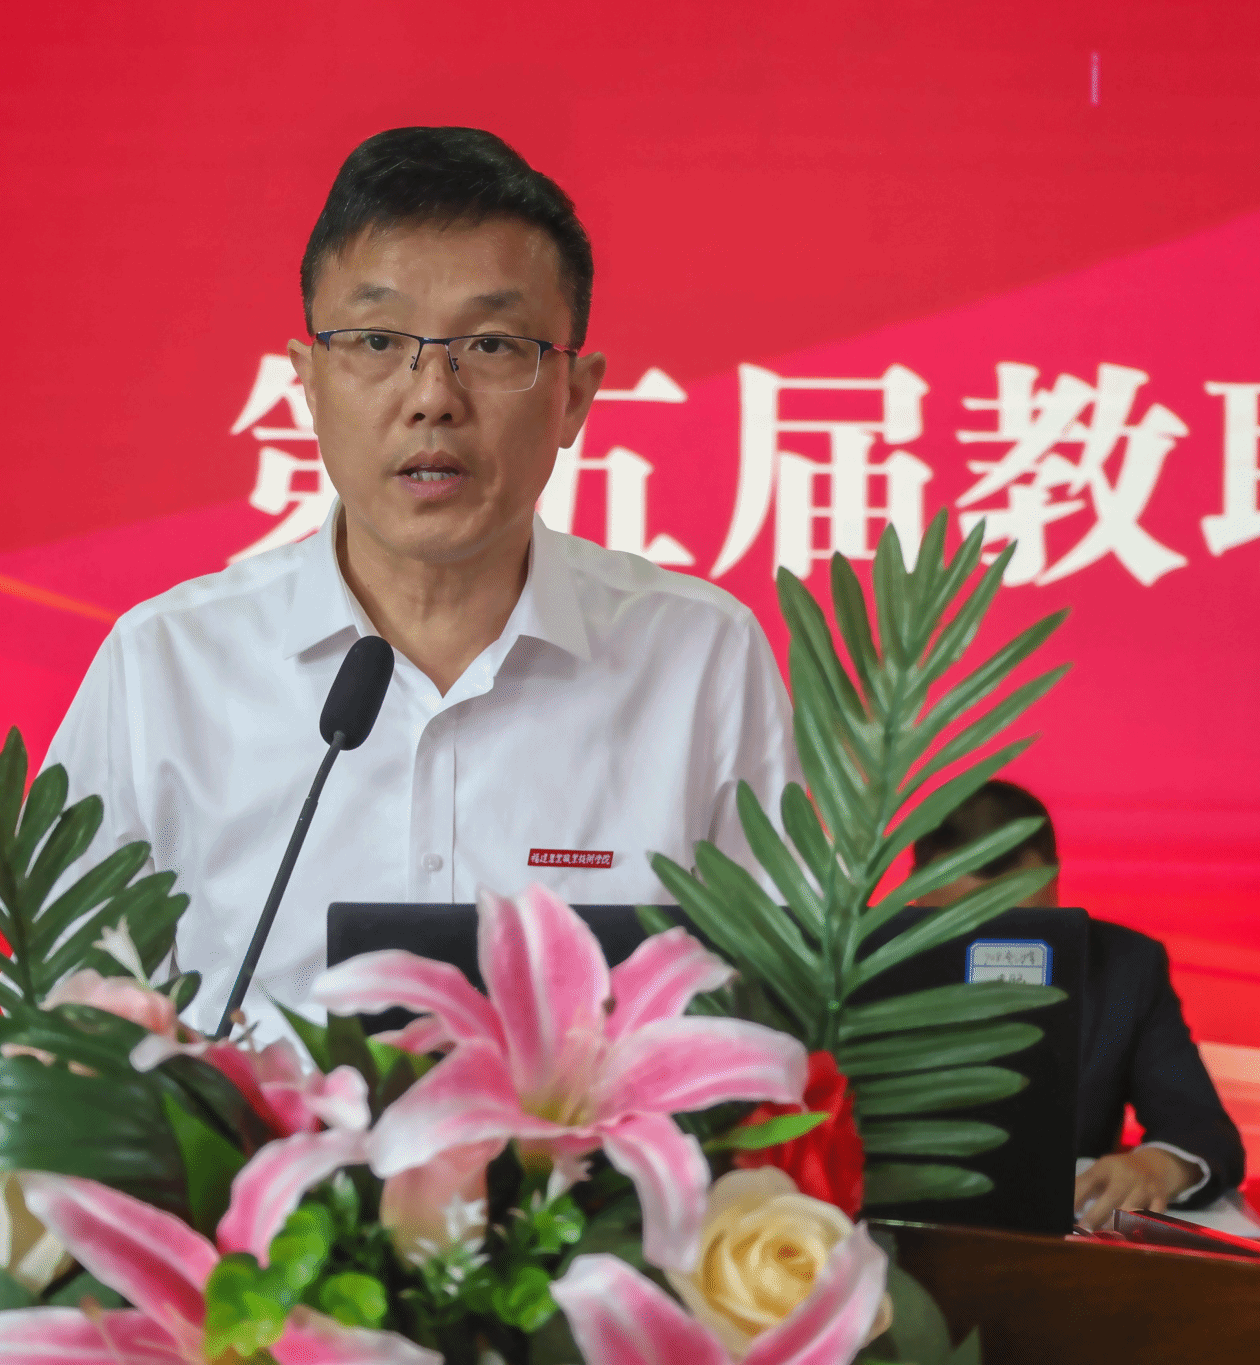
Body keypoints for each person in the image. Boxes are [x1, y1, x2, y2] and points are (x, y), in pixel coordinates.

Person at [44, 128, 798, 1035]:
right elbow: (57, 1042)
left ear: (574, 396)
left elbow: (784, 1018)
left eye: (493, 344)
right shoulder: (165, 667)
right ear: (308, 382)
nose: (434, 394)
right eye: (376, 338)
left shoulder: (700, 659)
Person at [913, 780, 1247, 1230]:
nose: (995, 953)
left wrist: (1157, 1167)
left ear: (1054, 883)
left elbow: (1202, 1128)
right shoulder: (850, 967)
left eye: (1020, 927)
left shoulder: (1126, 967)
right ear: (916, 894)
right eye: (964, 926)